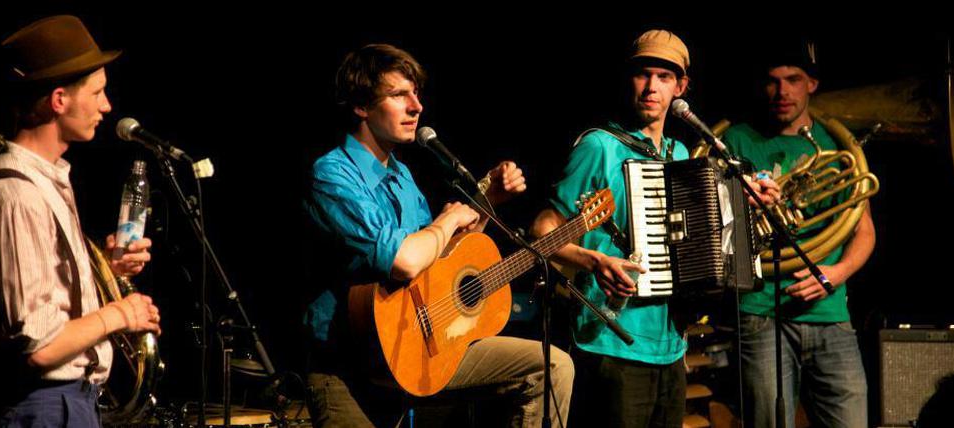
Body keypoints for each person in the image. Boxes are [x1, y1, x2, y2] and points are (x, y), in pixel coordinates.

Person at [302, 43, 573, 428]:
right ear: (361, 105)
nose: (416, 107)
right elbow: (405, 260)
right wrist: (445, 221)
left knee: (551, 365)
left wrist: (487, 201)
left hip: (414, 350)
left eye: (416, 94)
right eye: (399, 95)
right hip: (349, 370)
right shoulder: (332, 174)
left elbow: (438, 259)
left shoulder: (402, 175)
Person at [0, 15, 161, 426]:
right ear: (59, 100)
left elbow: (46, 304)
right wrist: (120, 314)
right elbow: (40, 346)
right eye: (97, 92)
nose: (107, 106)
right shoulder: (15, 196)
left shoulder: (49, 181)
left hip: (68, 403)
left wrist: (105, 275)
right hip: (42, 407)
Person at [532, 29, 696, 428]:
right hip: (610, 339)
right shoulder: (600, 146)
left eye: (664, 77)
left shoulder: (681, 154)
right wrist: (594, 261)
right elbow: (542, 230)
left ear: (680, 87)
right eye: (643, 74)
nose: (651, 87)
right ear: (628, 79)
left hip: (672, 344)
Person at [724, 41, 876, 428]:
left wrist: (835, 274)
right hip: (761, 311)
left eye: (793, 79)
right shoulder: (734, 141)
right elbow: (715, 231)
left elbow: (863, 231)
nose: (782, 91)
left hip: (831, 311)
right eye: (772, 81)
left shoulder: (838, 144)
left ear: (812, 83)